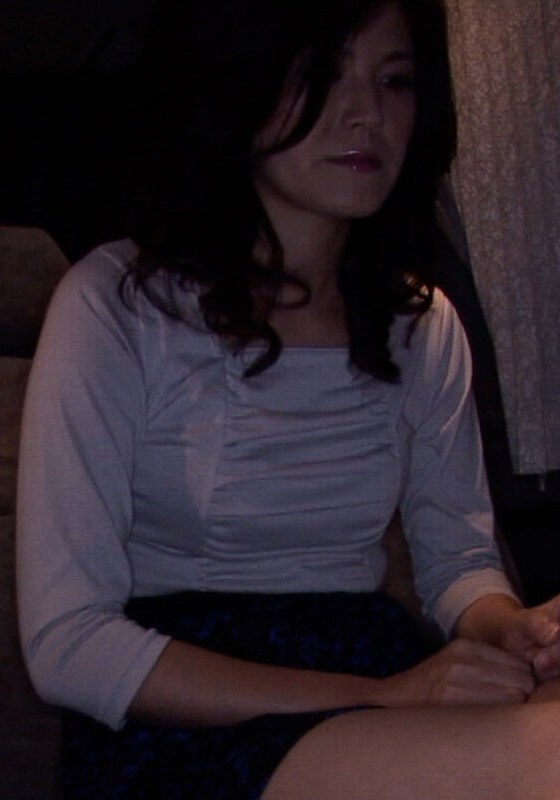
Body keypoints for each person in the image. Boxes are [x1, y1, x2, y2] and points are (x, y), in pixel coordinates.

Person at [16, 0, 560, 797]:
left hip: (372, 661)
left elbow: (458, 561)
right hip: (192, 712)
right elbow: (68, 643)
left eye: (395, 81)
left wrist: (513, 630)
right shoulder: (117, 304)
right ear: (241, 88)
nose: (366, 114)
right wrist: (383, 697)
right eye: (322, 76)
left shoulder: (419, 322)